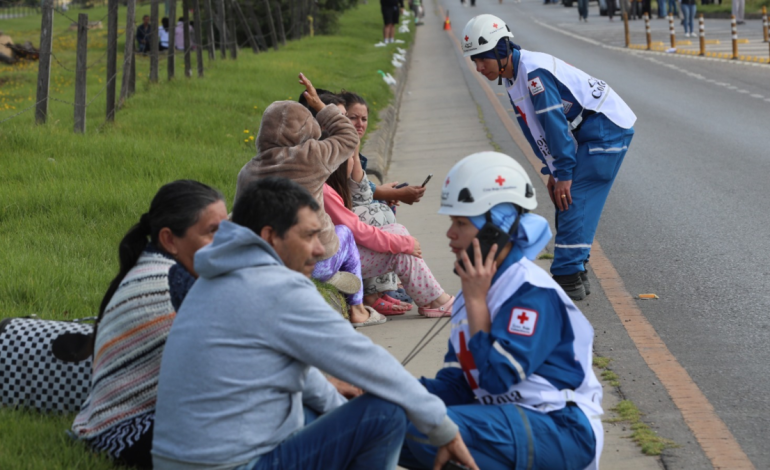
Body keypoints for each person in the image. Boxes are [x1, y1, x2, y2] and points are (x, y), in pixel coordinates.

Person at [151, 177, 478, 470]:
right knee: (384, 411)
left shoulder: (219, 275)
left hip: (180, 460)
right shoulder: (277, 288)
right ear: (271, 237)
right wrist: (443, 429)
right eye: (309, 235)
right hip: (232, 463)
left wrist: (339, 408)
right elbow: (366, 361)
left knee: (322, 408)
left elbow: (296, 375)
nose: (321, 249)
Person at [399, 151, 604, 470]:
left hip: (561, 426)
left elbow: (496, 379)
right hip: (505, 422)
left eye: (461, 223)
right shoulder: (473, 291)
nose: (450, 234)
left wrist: (478, 304)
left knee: (426, 429)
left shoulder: (531, 292)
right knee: (385, 421)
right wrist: (388, 390)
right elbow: (458, 385)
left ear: (495, 231)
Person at [461, 14, 636, 300]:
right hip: (594, 128)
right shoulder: (513, 76)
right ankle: (575, 271)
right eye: (474, 61)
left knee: (572, 200)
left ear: (501, 50)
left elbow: (553, 127)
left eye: (483, 58)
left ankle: (567, 277)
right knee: (566, 199)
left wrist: (564, 173)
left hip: (607, 128)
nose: (479, 67)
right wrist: (552, 171)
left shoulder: (533, 74)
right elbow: (533, 129)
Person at [71, 180, 228, 469]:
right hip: (126, 432)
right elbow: (228, 371)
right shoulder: (170, 284)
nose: (226, 241)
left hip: (118, 424)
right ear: (169, 240)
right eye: (212, 231)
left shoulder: (161, 268)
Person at [237, 74, 384, 327]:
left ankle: (331, 280)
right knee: (345, 235)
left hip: (265, 262)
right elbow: (349, 138)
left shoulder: (247, 171)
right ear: (308, 129)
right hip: (314, 259)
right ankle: (358, 309)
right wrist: (319, 106)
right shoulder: (310, 155)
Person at [324, 158, 456, 318]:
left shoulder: (324, 186)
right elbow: (357, 230)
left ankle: (431, 299)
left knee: (397, 231)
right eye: (351, 156)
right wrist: (402, 243)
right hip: (329, 263)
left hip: (334, 256)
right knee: (399, 247)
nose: (354, 160)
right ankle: (436, 301)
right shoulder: (324, 192)